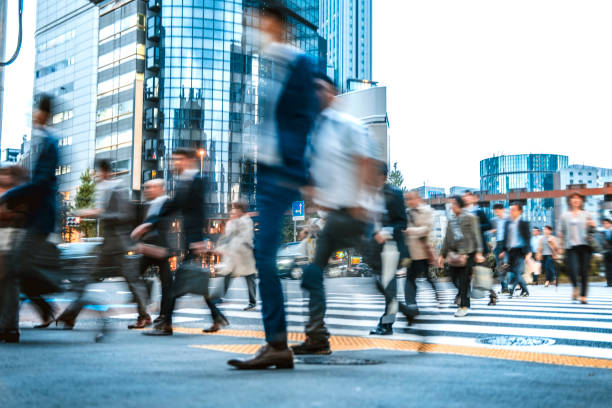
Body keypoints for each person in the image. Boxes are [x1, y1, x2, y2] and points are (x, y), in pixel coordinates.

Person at [227, 6, 318, 370]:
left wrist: (297, 172)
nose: (253, 27)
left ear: (275, 24)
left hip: (282, 173)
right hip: (267, 173)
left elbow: (303, 122)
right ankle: (276, 342)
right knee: (265, 257)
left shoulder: (299, 64)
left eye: (258, 21)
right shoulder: (272, 64)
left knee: (265, 256)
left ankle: (278, 343)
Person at [288, 74, 378, 353]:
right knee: (313, 273)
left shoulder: (349, 126)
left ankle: (405, 309)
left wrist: (361, 202)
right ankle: (317, 338)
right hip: (334, 216)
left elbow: (366, 163)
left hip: (355, 213)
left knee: (378, 271)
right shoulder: (315, 132)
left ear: (333, 93)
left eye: (321, 88)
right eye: (311, 88)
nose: (316, 93)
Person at [57, 159, 148, 330]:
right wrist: (92, 213)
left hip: (119, 245)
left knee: (131, 281)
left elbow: (124, 215)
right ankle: (70, 316)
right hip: (108, 245)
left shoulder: (117, 188)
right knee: (87, 278)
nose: (95, 175)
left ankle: (145, 315)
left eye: (97, 172)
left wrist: (98, 214)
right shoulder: (105, 189)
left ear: (105, 172)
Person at [139, 147, 218, 336]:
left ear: (190, 160)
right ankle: (217, 317)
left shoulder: (197, 181)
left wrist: (200, 239)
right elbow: (173, 207)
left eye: (178, 159)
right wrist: (149, 224)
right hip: (189, 240)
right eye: (173, 160)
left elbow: (200, 211)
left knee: (175, 287)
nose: (174, 163)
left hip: (193, 240)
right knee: (192, 283)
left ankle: (166, 324)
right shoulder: (183, 181)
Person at [0, 95, 59, 342]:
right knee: (14, 269)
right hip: (35, 218)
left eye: (36, 111)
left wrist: (9, 196)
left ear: (43, 114)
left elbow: (42, 182)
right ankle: (15, 323)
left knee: (13, 269)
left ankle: (13, 326)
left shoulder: (50, 142)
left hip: (40, 218)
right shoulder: (41, 141)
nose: (34, 116)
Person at [368, 163, 411, 336]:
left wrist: (385, 232)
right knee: (382, 285)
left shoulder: (394, 194)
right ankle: (404, 314)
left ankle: (386, 324)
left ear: (383, 176)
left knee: (388, 286)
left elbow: (403, 222)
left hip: (391, 247)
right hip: (377, 249)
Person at [132, 178, 170, 327]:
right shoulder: (146, 205)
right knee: (134, 278)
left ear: (161, 188)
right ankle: (144, 315)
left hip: (161, 249)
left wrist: (146, 226)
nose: (146, 190)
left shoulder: (166, 203)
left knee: (167, 285)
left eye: (150, 187)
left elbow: (162, 221)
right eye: (145, 187)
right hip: (147, 248)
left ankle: (163, 316)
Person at [438, 196, 484, 317]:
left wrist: (479, 252)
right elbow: (446, 239)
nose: (451, 207)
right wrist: (442, 255)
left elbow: (476, 235)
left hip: (467, 253)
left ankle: (463, 306)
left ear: (459, 205)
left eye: (453, 204)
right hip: (454, 254)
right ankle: (465, 295)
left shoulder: (470, 218)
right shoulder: (451, 220)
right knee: (453, 278)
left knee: (463, 281)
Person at [212, 198, 257, 320]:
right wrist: (221, 248)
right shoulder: (232, 222)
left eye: (235, 208)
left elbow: (245, 238)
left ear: (241, 210)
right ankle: (219, 297)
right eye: (232, 208)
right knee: (228, 274)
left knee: (249, 277)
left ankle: (252, 302)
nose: (233, 210)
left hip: (244, 254)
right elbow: (227, 237)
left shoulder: (246, 221)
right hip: (233, 254)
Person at [558, 192, 596, 304]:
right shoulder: (565, 215)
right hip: (571, 248)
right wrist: (560, 246)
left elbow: (593, 230)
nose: (576, 200)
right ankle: (575, 287)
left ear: (581, 201)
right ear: (570, 201)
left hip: (585, 247)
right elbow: (561, 232)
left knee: (584, 272)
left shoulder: (586, 214)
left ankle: (583, 296)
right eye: (573, 198)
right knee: (572, 271)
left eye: (578, 198)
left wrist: (592, 225)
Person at [404, 189, 437, 312]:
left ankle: (436, 292)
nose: (409, 201)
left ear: (417, 198)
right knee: (409, 279)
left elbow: (426, 229)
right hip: (409, 253)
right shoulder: (406, 212)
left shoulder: (427, 211)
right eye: (407, 199)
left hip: (423, 252)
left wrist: (409, 231)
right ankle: (411, 304)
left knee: (427, 277)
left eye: (411, 198)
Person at [463, 191, 496, 305]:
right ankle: (463, 299)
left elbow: (489, 225)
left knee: (482, 273)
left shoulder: (479, 212)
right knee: (466, 273)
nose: (466, 198)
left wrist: (476, 226)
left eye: (468, 196)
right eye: (464, 197)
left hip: (479, 248)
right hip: (466, 248)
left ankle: (492, 294)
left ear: (473, 199)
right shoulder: (462, 213)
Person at [499, 202, 531, 298]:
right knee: (512, 270)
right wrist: (503, 250)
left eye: (513, 210)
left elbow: (528, 238)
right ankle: (525, 290)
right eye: (510, 210)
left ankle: (512, 290)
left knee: (517, 271)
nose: (511, 211)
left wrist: (528, 252)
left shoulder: (524, 223)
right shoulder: (508, 223)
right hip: (510, 251)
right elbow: (505, 238)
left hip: (520, 251)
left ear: (520, 211)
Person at [490, 203, 509, 294]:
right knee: (499, 266)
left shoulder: (508, 219)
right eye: (495, 212)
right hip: (498, 244)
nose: (497, 213)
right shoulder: (494, 220)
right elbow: (490, 231)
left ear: (503, 210)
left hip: (507, 243)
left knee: (507, 265)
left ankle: (517, 283)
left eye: (498, 211)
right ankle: (504, 287)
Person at [602, 218, 612, 287]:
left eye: (607, 223)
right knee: (607, 267)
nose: (605, 225)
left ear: (610, 224)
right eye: (604, 223)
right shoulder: (602, 233)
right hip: (606, 252)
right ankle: (609, 282)